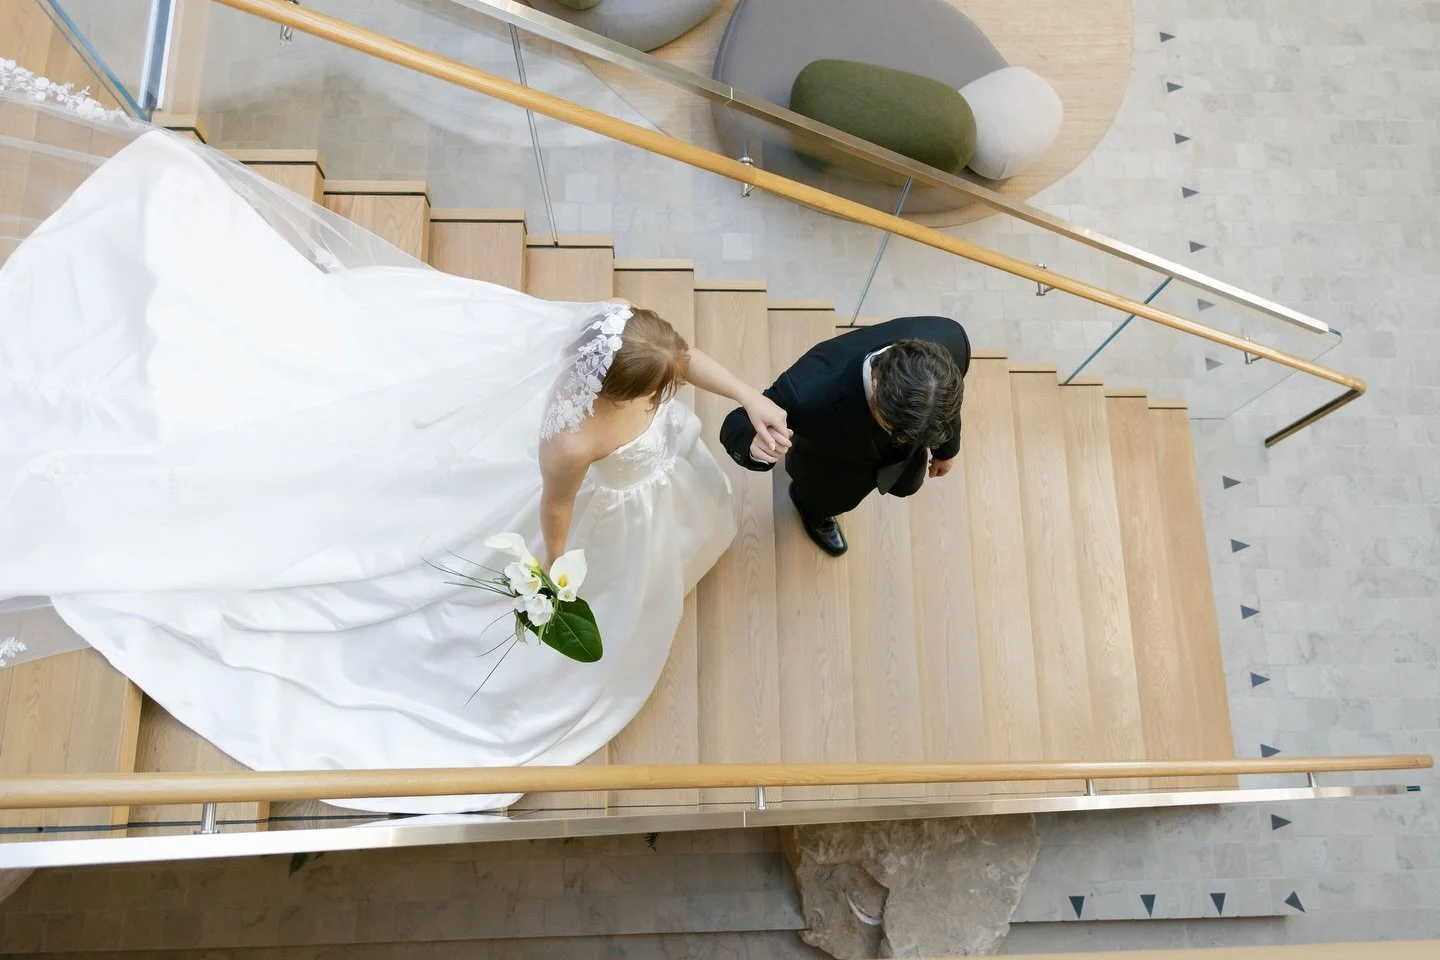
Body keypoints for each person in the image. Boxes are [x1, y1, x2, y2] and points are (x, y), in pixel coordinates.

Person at [0, 88, 788, 814]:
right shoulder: (570, 440)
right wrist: (550, 579)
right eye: (655, 395)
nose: (668, 395)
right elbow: (557, 512)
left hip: (629, 489)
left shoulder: (633, 346)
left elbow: (682, 360)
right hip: (574, 516)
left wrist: (751, 395)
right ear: (619, 391)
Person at [719, 317, 970, 556]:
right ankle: (811, 510)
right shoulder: (807, 392)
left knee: (908, 484)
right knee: (827, 498)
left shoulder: (951, 341)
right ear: (876, 381)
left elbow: (948, 406)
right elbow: (737, 422)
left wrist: (946, 450)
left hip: (902, 459)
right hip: (834, 464)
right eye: (891, 427)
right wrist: (753, 446)